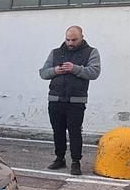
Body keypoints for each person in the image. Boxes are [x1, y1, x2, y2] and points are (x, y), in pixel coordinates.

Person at [39, 26, 101, 176]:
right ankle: (59, 158)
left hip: (76, 101)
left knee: (75, 132)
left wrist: (75, 68)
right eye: (68, 39)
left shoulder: (91, 52)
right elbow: (43, 73)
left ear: (82, 37)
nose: (70, 43)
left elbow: (94, 72)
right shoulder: (56, 52)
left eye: (74, 40)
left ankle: (75, 162)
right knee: (57, 131)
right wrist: (55, 70)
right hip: (55, 99)